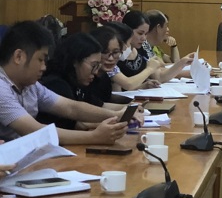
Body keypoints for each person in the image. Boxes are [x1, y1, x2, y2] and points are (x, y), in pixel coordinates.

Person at [0, 21, 128, 144]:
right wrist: (94, 136)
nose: (44, 67)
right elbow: (34, 131)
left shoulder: (31, 86)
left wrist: (115, 115)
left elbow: (71, 108)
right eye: (40, 59)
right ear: (19, 57)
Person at [37, 33, 134, 130]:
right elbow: (75, 116)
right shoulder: (56, 84)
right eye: (94, 65)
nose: (95, 72)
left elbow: (100, 105)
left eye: (98, 66)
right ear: (75, 61)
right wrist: (117, 117)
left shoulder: (78, 81)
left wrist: (130, 108)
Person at [120, 11, 194, 83]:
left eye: (146, 34)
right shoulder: (118, 53)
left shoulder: (142, 47)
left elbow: (159, 76)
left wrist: (182, 62)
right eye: (140, 33)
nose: (144, 38)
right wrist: (149, 69)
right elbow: (126, 84)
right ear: (127, 29)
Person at [90, 25, 160, 96]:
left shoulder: (112, 64)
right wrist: (150, 69)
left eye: (115, 52)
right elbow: (128, 84)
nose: (126, 48)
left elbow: (115, 95)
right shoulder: (104, 64)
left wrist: (142, 87)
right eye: (127, 44)